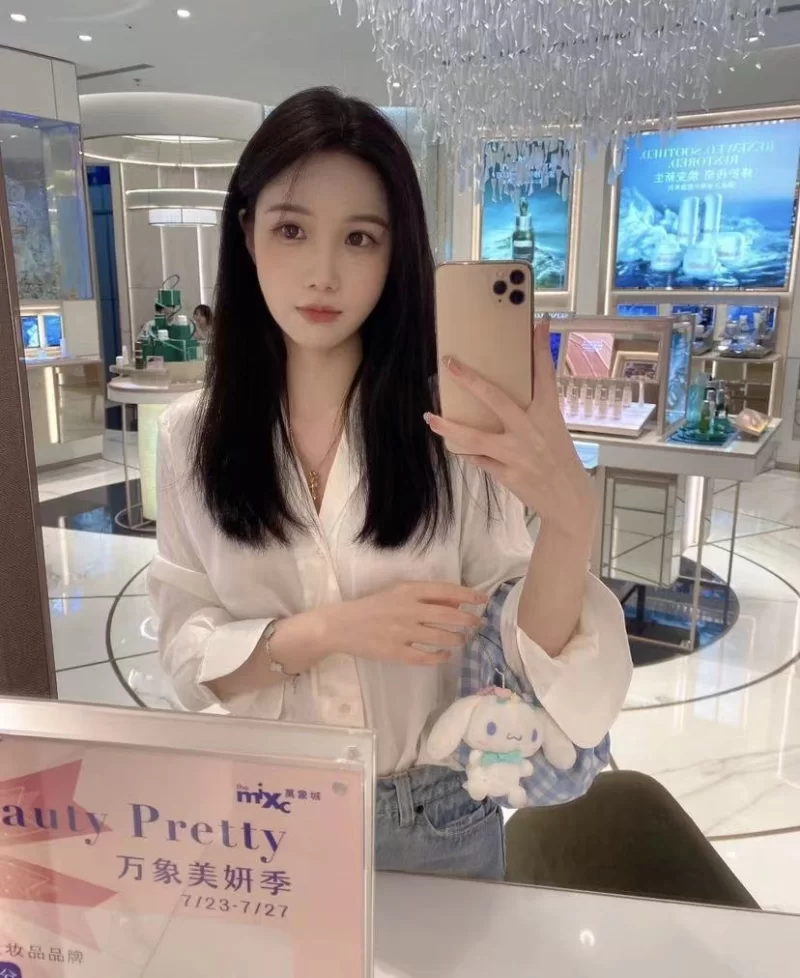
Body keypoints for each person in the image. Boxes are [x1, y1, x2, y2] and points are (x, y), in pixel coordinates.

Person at [149, 87, 632, 881]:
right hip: (265, 816)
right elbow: (185, 656)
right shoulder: (189, 439)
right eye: (292, 229)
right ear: (246, 233)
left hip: (435, 818)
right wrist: (328, 631)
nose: (323, 273)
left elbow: (521, 664)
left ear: (394, 252)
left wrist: (571, 524)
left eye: (360, 238)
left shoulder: (452, 430)